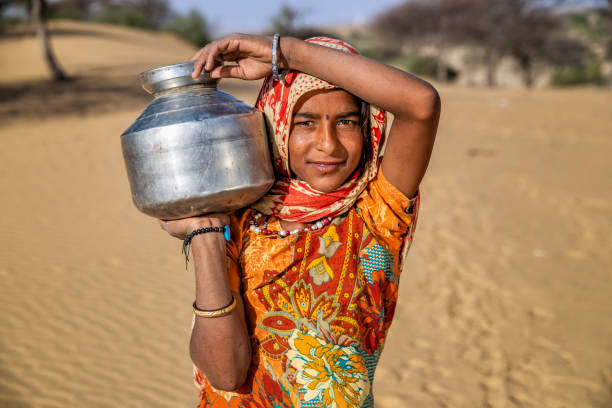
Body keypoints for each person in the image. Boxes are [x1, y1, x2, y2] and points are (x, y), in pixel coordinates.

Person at [159, 33, 440, 408]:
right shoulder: (239, 218)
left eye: (346, 122)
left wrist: (286, 53)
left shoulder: (376, 212)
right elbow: (226, 374)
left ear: (366, 128)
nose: (328, 144)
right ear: (276, 127)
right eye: (305, 123)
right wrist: (206, 236)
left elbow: (421, 104)